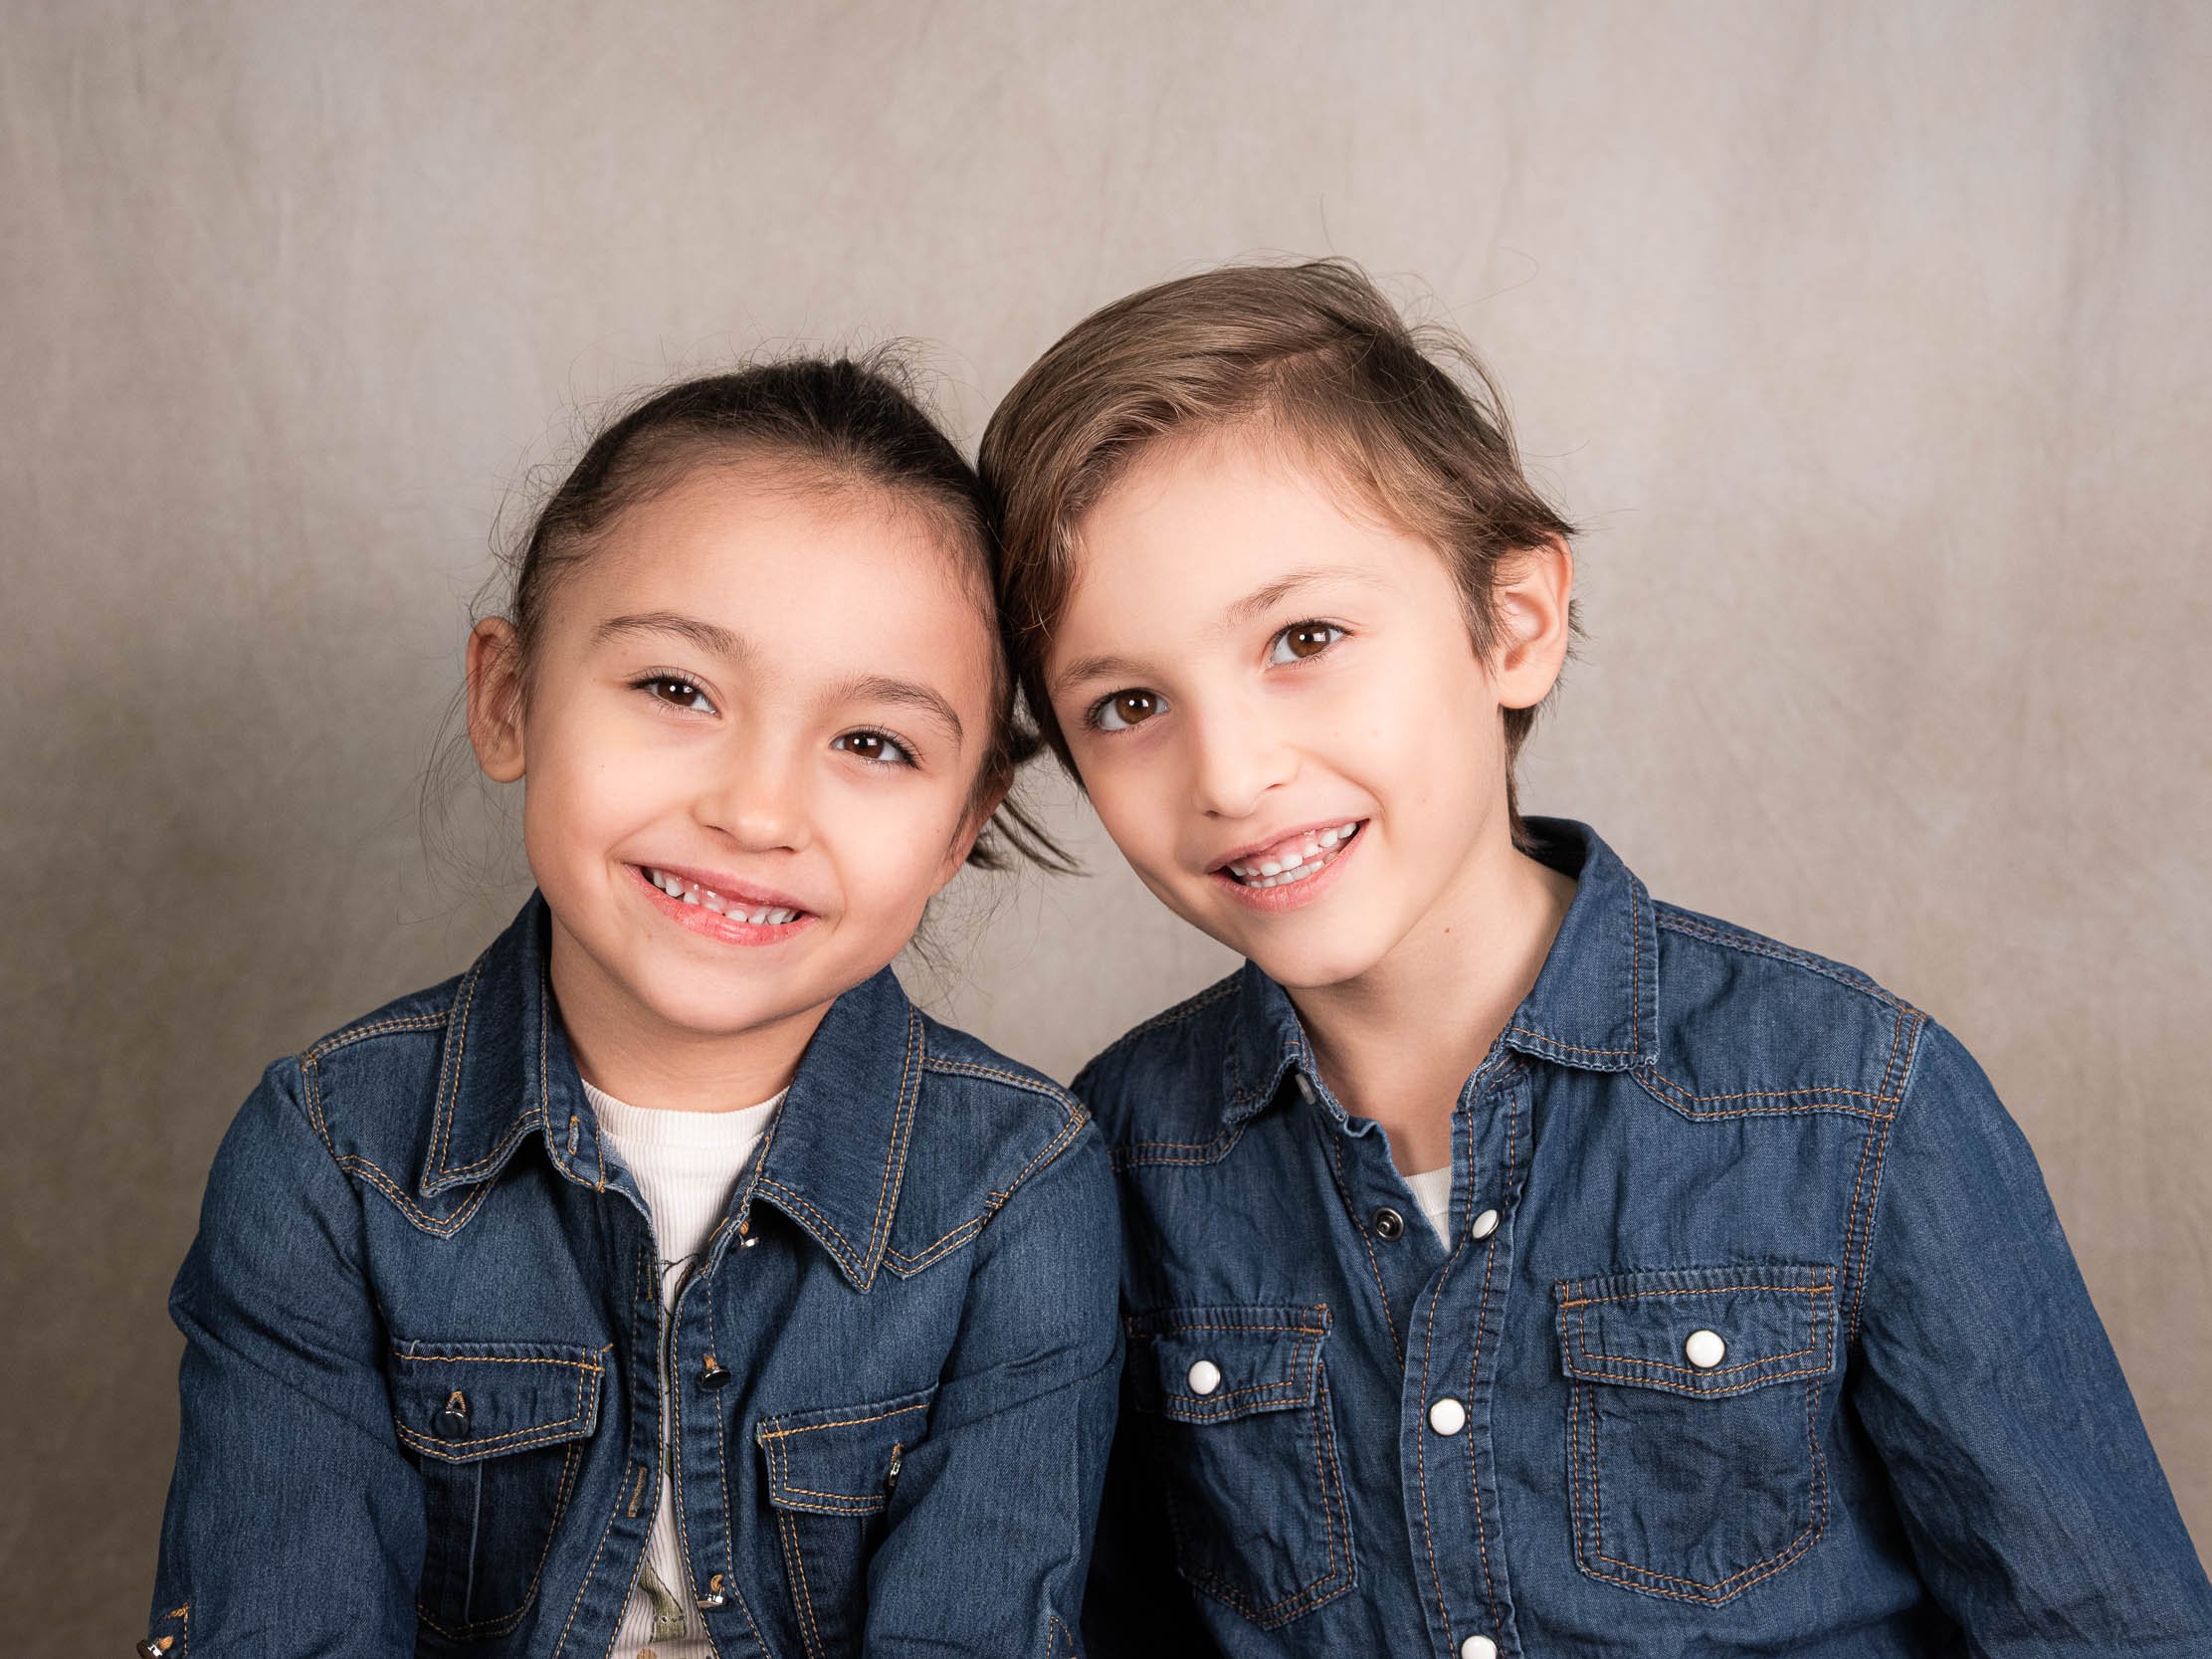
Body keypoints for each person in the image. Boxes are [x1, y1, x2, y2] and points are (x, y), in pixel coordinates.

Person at [979, 260, 2212, 1657]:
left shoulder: (1856, 1103)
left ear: (1514, 625)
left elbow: (2106, 1628)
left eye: (1304, 639)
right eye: (1128, 704)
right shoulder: (1111, 1156)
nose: (1230, 772)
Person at [143, 355, 1117, 1659]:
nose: (757, 812)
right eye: (677, 690)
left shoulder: (1019, 1189)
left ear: (959, 828)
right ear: (509, 699)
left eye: (873, 743)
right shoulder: (330, 1156)